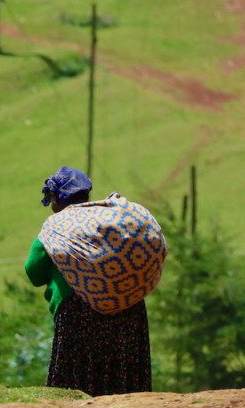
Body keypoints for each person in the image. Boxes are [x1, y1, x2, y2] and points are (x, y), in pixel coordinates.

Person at [26, 166, 163, 396]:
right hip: (127, 306)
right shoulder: (109, 218)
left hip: (77, 311)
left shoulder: (55, 228)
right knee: (122, 374)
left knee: (77, 380)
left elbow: (34, 273)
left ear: (56, 200)